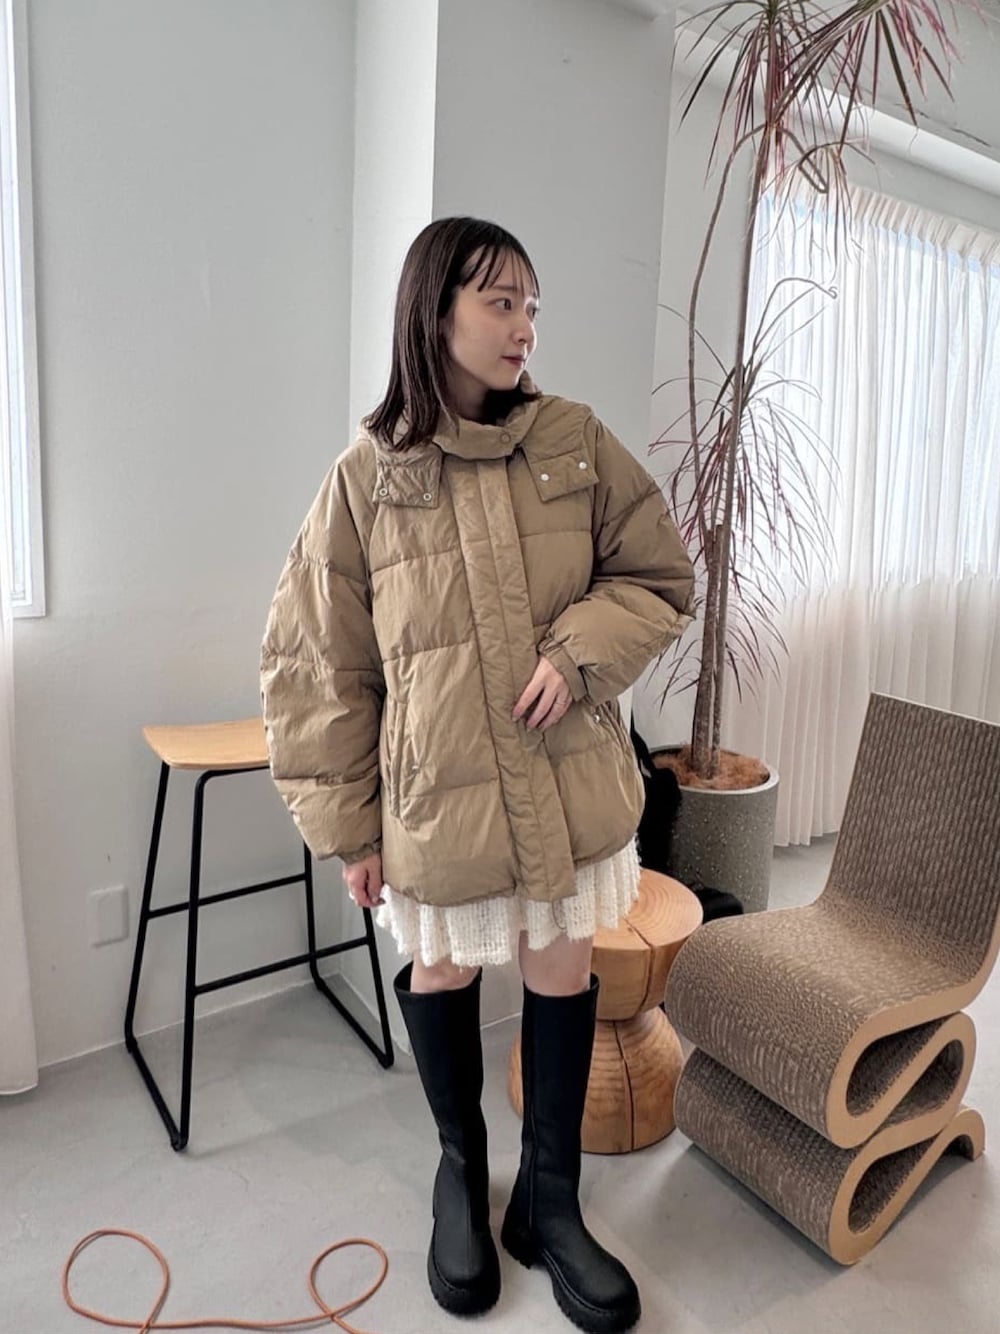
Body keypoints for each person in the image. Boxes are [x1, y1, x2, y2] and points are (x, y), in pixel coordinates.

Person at [260, 217, 694, 1334]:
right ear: (434, 309)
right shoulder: (367, 479)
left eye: (531, 305)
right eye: (500, 301)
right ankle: (461, 1171)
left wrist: (576, 653)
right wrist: (354, 828)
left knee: (561, 967)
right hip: (437, 801)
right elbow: (319, 666)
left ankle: (549, 1202)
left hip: (565, 783)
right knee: (444, 972)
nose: (523, 326)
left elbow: (657, 575)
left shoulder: (574, 440)